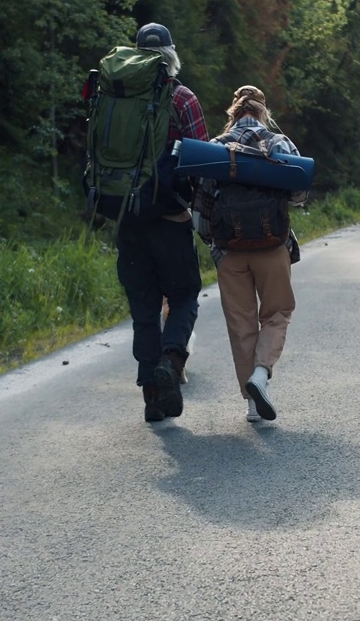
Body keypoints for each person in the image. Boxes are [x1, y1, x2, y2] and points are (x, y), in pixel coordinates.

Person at [111, 23, 208, 423]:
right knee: (184, 294)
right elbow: (202, 165)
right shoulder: (182, 98)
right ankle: (170, 361)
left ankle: (153, 399)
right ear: (172, 54)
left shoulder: (114, 97)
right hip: (169, 216)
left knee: (144, 308)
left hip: (126, 220)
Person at [205, 85, 306, 422]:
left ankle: (251, 405)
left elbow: (200, 205)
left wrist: (215, 245)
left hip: (230, 251)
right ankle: (260, 376)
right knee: (277, 314)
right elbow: (298, 194)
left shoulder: (214, 148)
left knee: (241, 324)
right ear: (263, 112)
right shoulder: (279, 143)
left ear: (233, 112)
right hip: (271, 246)